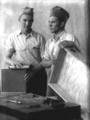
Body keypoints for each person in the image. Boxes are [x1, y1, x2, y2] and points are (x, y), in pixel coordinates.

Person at [4, 7, 47, 96]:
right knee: (19, 103)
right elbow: (6, 58)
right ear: (19, 20)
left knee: (39, 104)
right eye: (24, 20)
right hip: (20, 76)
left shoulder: (39, 37)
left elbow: (45, 60)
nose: (27, 24)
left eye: (30, 21)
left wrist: (34, 71)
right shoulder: (13, 37)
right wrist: (12, 61)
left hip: (38, 75)